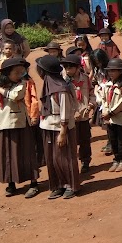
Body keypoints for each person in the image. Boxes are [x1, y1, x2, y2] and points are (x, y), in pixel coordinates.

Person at [0, 57, 40, 198]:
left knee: (25, 153)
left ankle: (33, 183)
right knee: (6, 155)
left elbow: (15, 96)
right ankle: (11, 184)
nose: (19, 75)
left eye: (21, 72)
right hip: (2, 125)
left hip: (19, 124)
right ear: (6, 74)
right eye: (16, 72)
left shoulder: (22, 84)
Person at [36, 55, 80, 199]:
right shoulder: (48, 86)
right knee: (52, 158)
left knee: (64, 158)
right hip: (47, 126)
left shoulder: (61, 88)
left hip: (61, 128)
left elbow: (65, 111)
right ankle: (58, 185)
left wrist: (63, 132)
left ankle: (70, 185)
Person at [60, 54, 95, 174]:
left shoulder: (85, 79)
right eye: (66, 68)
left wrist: (91, 105)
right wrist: (73, 113)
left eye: (71, 68)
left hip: (84, 116)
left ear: (78, 67)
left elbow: (92, 94)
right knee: (72, 142)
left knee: (85, 140)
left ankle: (85, 161)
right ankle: (72, 163)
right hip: (71, 118)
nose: (68, 70)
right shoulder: (63, 81)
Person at [99, 58, 122, 173]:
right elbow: (103, 99)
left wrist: (111, 112)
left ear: (121, 72)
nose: (111, 73)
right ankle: (116, 158)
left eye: (114, 71)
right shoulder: (107, 85)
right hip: (110, 118)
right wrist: (105, 111)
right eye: (109, 71)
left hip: (121, 117)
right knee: (112, 139)